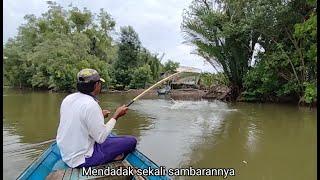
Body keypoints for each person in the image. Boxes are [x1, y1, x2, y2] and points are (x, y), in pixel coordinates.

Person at [56, 68, 137, 168]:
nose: (100, 85)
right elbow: (101, 138)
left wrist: (99, 115)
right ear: (96, 85)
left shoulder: (68, 99)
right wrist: (116, 116)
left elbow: (79, 119)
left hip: (66, 154)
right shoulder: (91, 105)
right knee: (131, 141)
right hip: (81, 160)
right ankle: (110, 158)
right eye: (99, 83)